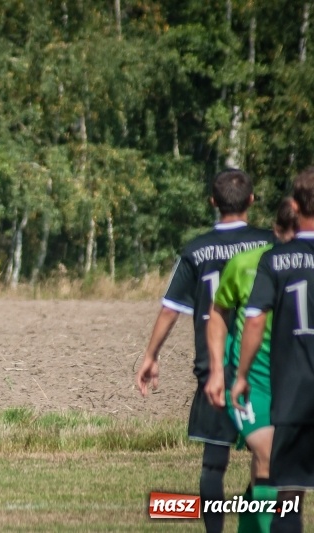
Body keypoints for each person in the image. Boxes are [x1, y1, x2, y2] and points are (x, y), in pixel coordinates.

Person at [136, 169, 274, 533]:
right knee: (267, 458)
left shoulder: (196, 249)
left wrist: (151, 355)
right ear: (251, 200)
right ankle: (254, 521)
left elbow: (170, 309)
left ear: (213, 202)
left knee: (214, 463)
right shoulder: (269, 244)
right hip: (262, 366)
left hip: (214, 368)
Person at [205, 198, 296, 533]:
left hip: (296, 383)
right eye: (290, 235)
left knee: (279, 473)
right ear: (276, 231)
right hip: (252, 384)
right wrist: (218, 371)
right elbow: (218, 312)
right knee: (270, 456)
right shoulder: (245, 264)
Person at [233, 167, 314, 533]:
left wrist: (241, 375)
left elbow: (254, 320)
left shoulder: (276, 259)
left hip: (295, 391)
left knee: (289, 496)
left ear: (294, 206)